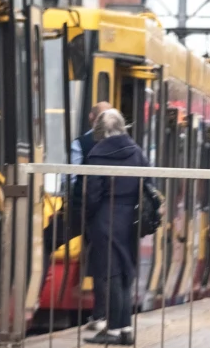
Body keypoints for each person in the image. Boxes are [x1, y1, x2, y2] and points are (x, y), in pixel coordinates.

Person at [84, 108, 147, 345]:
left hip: (105, 217)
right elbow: (149, 183)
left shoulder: (97, 153)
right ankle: (125, 329)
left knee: (109, 274)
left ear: (101, 129)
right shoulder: (136, 151)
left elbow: (92, 193)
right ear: (122, 126)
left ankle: (112, 331)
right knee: (125, 274)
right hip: (130, 217)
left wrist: (88, 217)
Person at [70, 100, 112, 333]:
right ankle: (106, 316)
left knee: (100, 263)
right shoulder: (126, 146)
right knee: (105, 264)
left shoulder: (82, 144)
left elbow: (73, 179)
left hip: (88, 211)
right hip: (108, 215)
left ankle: (101, 314)